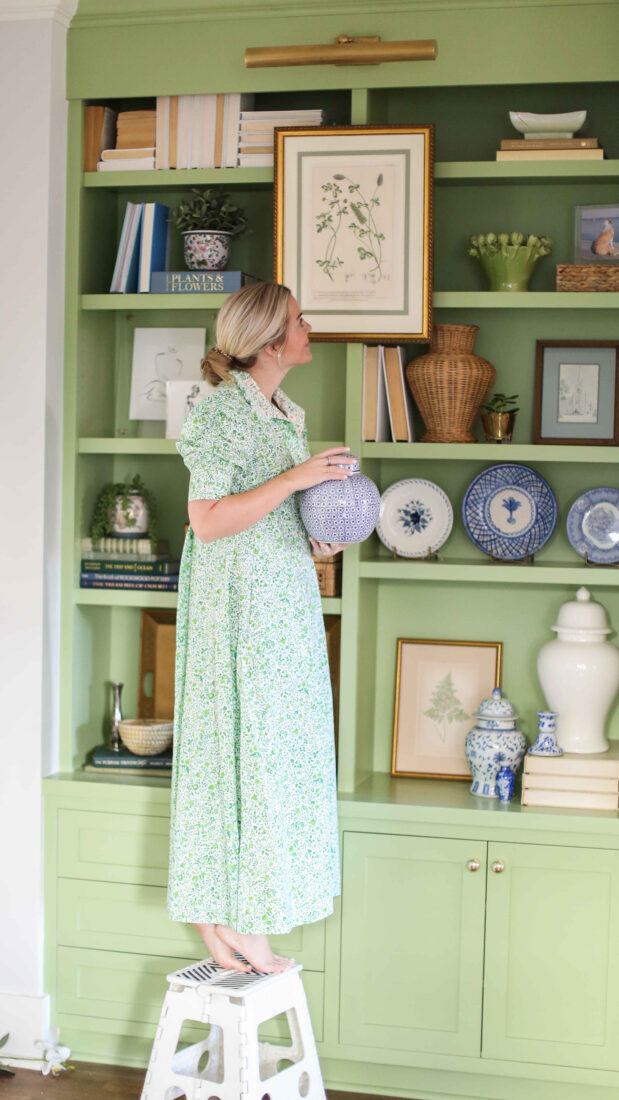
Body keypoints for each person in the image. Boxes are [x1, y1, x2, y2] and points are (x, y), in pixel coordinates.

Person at [167, 281, 354, 975]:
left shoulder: (282, 413)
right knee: (239, 753)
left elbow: (268, 512)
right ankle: (230, 919)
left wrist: (319, 536)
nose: (310, 328)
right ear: (273, 339)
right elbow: (209, 520)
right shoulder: (222, 415)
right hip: (239, 610)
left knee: (274, 755)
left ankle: (231, 916)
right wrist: (295, 479)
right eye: (300, 320)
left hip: (282, 600)